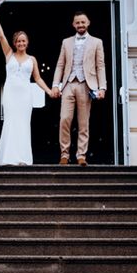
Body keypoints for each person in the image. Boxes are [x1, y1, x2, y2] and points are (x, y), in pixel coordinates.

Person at [0, 10, 54, 165]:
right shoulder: (9, 54)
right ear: (14, 43)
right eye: (18, 41)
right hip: (10, 93)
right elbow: (1, 35)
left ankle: (22, 158)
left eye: (23, 41)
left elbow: (37, 78)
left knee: (23, 124)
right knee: (11, 121)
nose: (21, 43)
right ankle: (9, 157)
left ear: (27, 42)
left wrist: (49, 91)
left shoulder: (32, 59)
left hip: (25, 95)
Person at [52, 11, 107, 166]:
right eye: (78, 22)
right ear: (73, 24)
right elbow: (60, 65)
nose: (80, 25)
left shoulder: (97, 42)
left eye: (83, 22)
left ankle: (81, 155)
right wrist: (56, 85)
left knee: (83, 122)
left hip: (86, 84)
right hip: (69, 84)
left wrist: (102, 87)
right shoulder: (66, 42)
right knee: (64, 119)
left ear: (88, 23)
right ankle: (64, 154)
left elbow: (100, 66)